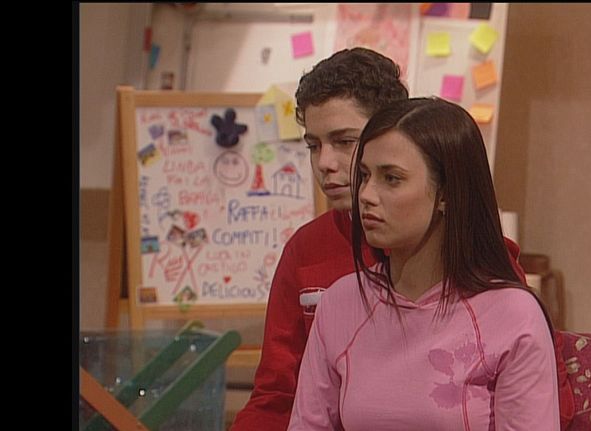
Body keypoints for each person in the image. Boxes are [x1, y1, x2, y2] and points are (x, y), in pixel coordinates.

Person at [231, 48, 570, 431]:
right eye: (313, 145)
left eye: (344, 141)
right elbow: (279, 396)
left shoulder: (496, 292)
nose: (325, 163)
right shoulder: (321, 272)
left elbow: (545, 401)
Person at [288, 97, 560, 430]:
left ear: (446, 194)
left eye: (391, 178)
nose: (366, 195)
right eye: (364, 176)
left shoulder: (513, 314)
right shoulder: (340, 303)